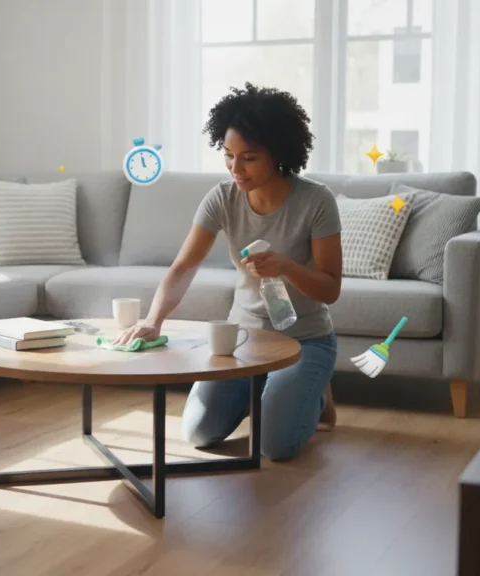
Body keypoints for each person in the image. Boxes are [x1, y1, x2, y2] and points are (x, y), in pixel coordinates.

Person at [112, 82, 344, 462]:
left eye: (249, 157)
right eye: (228, 155)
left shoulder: (316, 201)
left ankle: (316, 392)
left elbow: (330, 289)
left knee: (276, 447)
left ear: (278, 153)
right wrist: (154, 321)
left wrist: (286, 266)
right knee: (199, 434)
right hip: (243, 337)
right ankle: (272, 389)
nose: (236, 168)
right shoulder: (223, 197)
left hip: (306, 339)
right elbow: (184, 266)